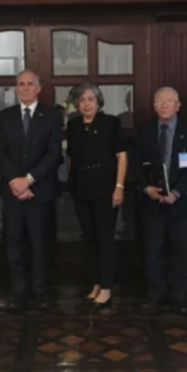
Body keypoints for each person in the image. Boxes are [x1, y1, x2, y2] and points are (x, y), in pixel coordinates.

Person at [130, 87, 187, 313]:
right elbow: (135, 164)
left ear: (178, 106)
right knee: (153, 249)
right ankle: (156, 293)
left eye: (169, 101)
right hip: (152, 201)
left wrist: (177, 192)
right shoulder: (144, 131)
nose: (164, 105)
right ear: (154, 106)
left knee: (181, 249)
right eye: (160, 101)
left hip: (181, 201)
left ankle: (180, 293)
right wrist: (146, 189)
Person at [0, 70, 63, 310]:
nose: (25, 88)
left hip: (40, 191)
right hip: (13, 191)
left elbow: (54, 153)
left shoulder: (52, 116)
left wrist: (29, 180)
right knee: (14, 242)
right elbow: (1, 152)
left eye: (29, 84)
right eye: (21, 84)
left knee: (39, 243)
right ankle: (19, 289)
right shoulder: (5, 117)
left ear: (38, 88)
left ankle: (40, 289)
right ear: (17, 88)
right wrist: (16, 182)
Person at [66, 83, 127, 310]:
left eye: (91, 99)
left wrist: (119, 186)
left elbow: (122, 156)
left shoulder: (110, 123)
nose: (86, 104)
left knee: (104, 239)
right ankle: (96, 284)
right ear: (77, 104)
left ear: (98, 102)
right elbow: (71, 157)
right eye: (82, 100)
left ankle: (107, 287)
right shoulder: (73, 125)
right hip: (81, 190)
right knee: (90, 239)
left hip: (105, 190)